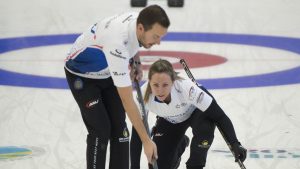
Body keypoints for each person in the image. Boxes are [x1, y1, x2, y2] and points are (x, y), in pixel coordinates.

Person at [64, 5, 170, 169]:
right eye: (156, 36)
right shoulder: (117, 44)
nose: (158, 42)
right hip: (82, 76)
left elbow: (134, 43)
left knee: (121, 130)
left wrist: (136, 62)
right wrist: (147, 141)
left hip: (108, 71)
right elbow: (127, 101)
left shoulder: (139, 20)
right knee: (101, 130)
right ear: (141, 28)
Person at [130, 59, 247, 169]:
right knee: (157, 165)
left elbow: (219, 116)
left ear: (173, 81)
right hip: (170, 119)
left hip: (196, 112)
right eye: (155, 85)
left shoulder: (186, 88)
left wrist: (235, 143)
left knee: (205, 130)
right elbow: (137, 133)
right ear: (149, 82)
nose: (160, 91)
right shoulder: (143, 96)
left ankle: (195, 165)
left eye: (165, 85)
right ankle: (180, 143)